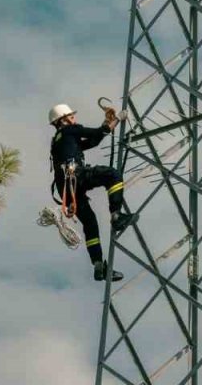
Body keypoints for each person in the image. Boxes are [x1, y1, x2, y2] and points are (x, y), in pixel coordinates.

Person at [49, 102, 138, 282]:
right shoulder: (69, 131)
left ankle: (98, 266)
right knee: (112, 175)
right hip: (76, 176)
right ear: (63, 119)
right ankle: (116, 216)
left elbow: (93, 140)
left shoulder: (59, 139)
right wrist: (117, 120)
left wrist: (109, 123)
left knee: (90, 223)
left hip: (66, 188)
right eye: (71, 116)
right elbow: (98, 132)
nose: (74, 119)